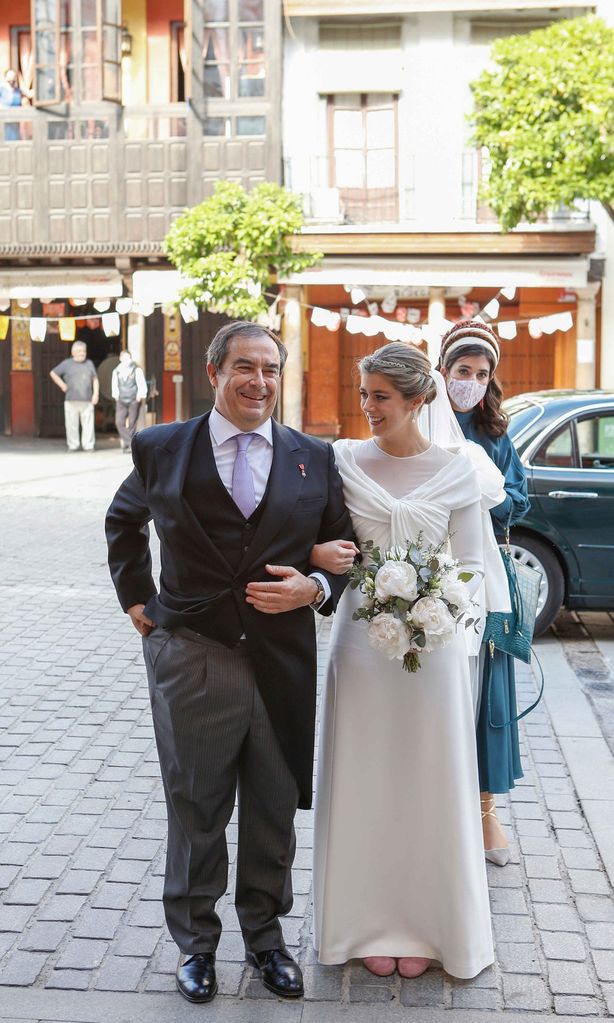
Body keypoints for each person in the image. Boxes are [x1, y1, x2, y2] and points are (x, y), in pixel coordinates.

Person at [105, 321, 354, 1004]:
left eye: (271, 369)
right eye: (245, 366)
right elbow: (123, 520)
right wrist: (137, 600)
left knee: (273, 808)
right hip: (192, 656)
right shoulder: (161, 447)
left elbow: (344, 542)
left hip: (281, 662)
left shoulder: (313, 457)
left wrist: (315, 586)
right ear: (214, 372)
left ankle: (267, 940)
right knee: (196, 808)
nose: (259, 382)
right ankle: (196, 946)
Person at [310, 342, 494, 981]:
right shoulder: (342, 461)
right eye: (363, 395)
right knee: (365, 775)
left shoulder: (458, 467)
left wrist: (435, 601)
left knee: (427, 776)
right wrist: (324, 560)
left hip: (433, 643)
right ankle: (363, 921)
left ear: (418, 400)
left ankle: (427, 924)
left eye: (380, 397)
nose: (367, 408)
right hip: (361, 642)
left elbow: (471, 562)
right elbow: (319, 539)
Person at [439, 319, 530, 866]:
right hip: (429, 577)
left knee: (487, 696)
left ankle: (486, 811)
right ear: (443, 371)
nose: (470, 381)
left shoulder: (495, 433)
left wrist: (485, 493)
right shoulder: (421, 421)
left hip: (486, 578)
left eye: (481, 373)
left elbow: (520, 498)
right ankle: (436, 809)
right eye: (462, 371)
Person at [50, 340, 99, 451]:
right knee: (71, 424)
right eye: (79, 351)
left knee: (88, 425)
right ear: (73, 353)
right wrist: (62, 384)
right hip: (71, 399)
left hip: (87, 399)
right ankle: (73, 445)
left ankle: (88, 445)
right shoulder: (67, 363)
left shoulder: (89, 363)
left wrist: (95, 394)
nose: (82, 353)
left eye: (83, 351)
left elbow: (95, 379)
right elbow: (53, 373)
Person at [111, 349, 147, 451]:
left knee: (132, 422)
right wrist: (116, 395)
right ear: (120, 358)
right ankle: (130, 443)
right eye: (124, 357)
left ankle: (128, 445)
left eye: (128, 357)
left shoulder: (136, 369)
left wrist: (140, 394)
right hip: (121, 399)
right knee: (119, 422)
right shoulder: (116, 371)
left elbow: (141, 383)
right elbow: (114, 385)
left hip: (133, 398)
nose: (126, 359)